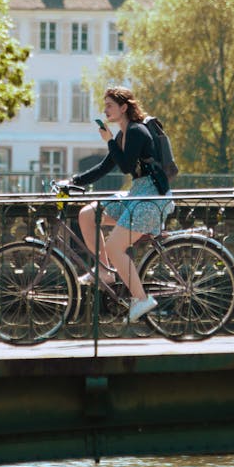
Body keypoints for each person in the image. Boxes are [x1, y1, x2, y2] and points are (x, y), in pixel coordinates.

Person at [70, 86, 174, 324]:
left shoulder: (136, 131)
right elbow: (106, 166)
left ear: (123, 107)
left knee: (116, 247)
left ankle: (141, 299)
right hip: (137, 193)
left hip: (151, 198)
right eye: (105, 105)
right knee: (88, 214)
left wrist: (108, 142)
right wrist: (74, 181)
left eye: (109, 105)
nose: (105, 110)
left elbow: (126, 166)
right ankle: (105, 272)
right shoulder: (121, 136)